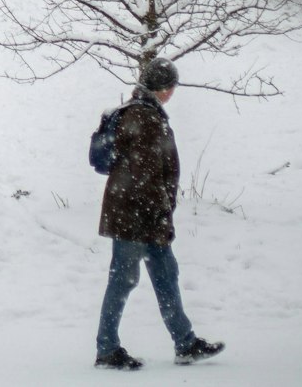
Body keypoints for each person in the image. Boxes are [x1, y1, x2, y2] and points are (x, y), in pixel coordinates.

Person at [95, 57, 224, 370]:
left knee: (166, 277)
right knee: (123, 280)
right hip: (137, 217)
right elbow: (147, 175)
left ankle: (185, 343)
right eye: (172, 86)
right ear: (163, 88)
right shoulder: (145, 119)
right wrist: (158, 214)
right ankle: (107, 350)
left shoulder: (140, 112)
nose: (173, 91)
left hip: (141, 213)